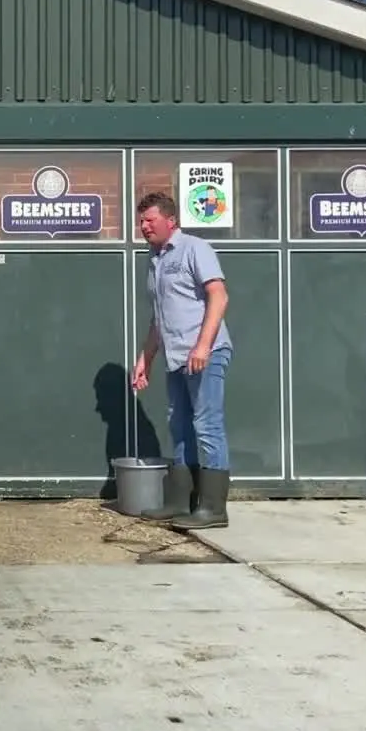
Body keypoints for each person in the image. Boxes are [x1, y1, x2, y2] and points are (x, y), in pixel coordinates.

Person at [130, 190, 232, 529]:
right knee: (179, 426)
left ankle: (214, 509)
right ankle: (179, 501)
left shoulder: (194, 248)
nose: (143, 226)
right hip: (176, 357)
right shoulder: (155, 260)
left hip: (206, 353)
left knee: (207, 426)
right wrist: (146, 358)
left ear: (170, 220)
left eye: (150, 220)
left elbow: (219, 296)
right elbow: (159, 318)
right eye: (141, 221)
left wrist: (202, 347)